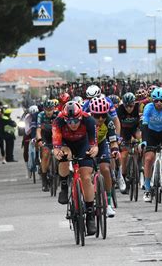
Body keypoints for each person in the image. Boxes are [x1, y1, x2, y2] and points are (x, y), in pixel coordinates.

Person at [52, 101, 98, 236]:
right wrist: (57, 152)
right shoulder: (58, 121)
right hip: (66, 144)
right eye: (69, 121)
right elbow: (56, 144)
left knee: (85, 177)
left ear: (81, 117)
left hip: (83, 144)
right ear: (64, 119)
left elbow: (94, 144)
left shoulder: (89, 120)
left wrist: (94, 149)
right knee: (64, 156)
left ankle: (90, 216)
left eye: (76, 121)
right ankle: (64, 187)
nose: (73, 124)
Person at [89, 97, 119, 217]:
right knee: (86, 172)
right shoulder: (86, 121)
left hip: (101, 145)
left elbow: (113, 141)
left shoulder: (109, 121)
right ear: (92, 114)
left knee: (105, 169)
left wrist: (115, 150)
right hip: (87, 145)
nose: (100, 119)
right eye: (97, 116)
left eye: (103, 115)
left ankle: (108, 204)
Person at [117, 92, 141, 194]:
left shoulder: (138, 107)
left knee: (139, 146)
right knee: (124, 155)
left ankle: (138, 166)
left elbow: (141, 125)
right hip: (124, 131)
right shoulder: (120, 109)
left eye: (131, 106)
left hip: (135, 129)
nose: (129, 108)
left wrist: (140, 140)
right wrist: (119, 139)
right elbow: (117, 125)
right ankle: (123, 176)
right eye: (127, 106)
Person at [36, 100, 59, 191]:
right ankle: (44, 181)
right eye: (47, 109)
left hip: (56, 136)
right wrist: (39, 140)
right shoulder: (40, 115)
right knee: (45, 154)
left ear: (54, 109)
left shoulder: (58, 114)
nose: (49, 112)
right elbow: (38, 130)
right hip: (45, 136)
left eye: (51, 109)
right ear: (44, 109)